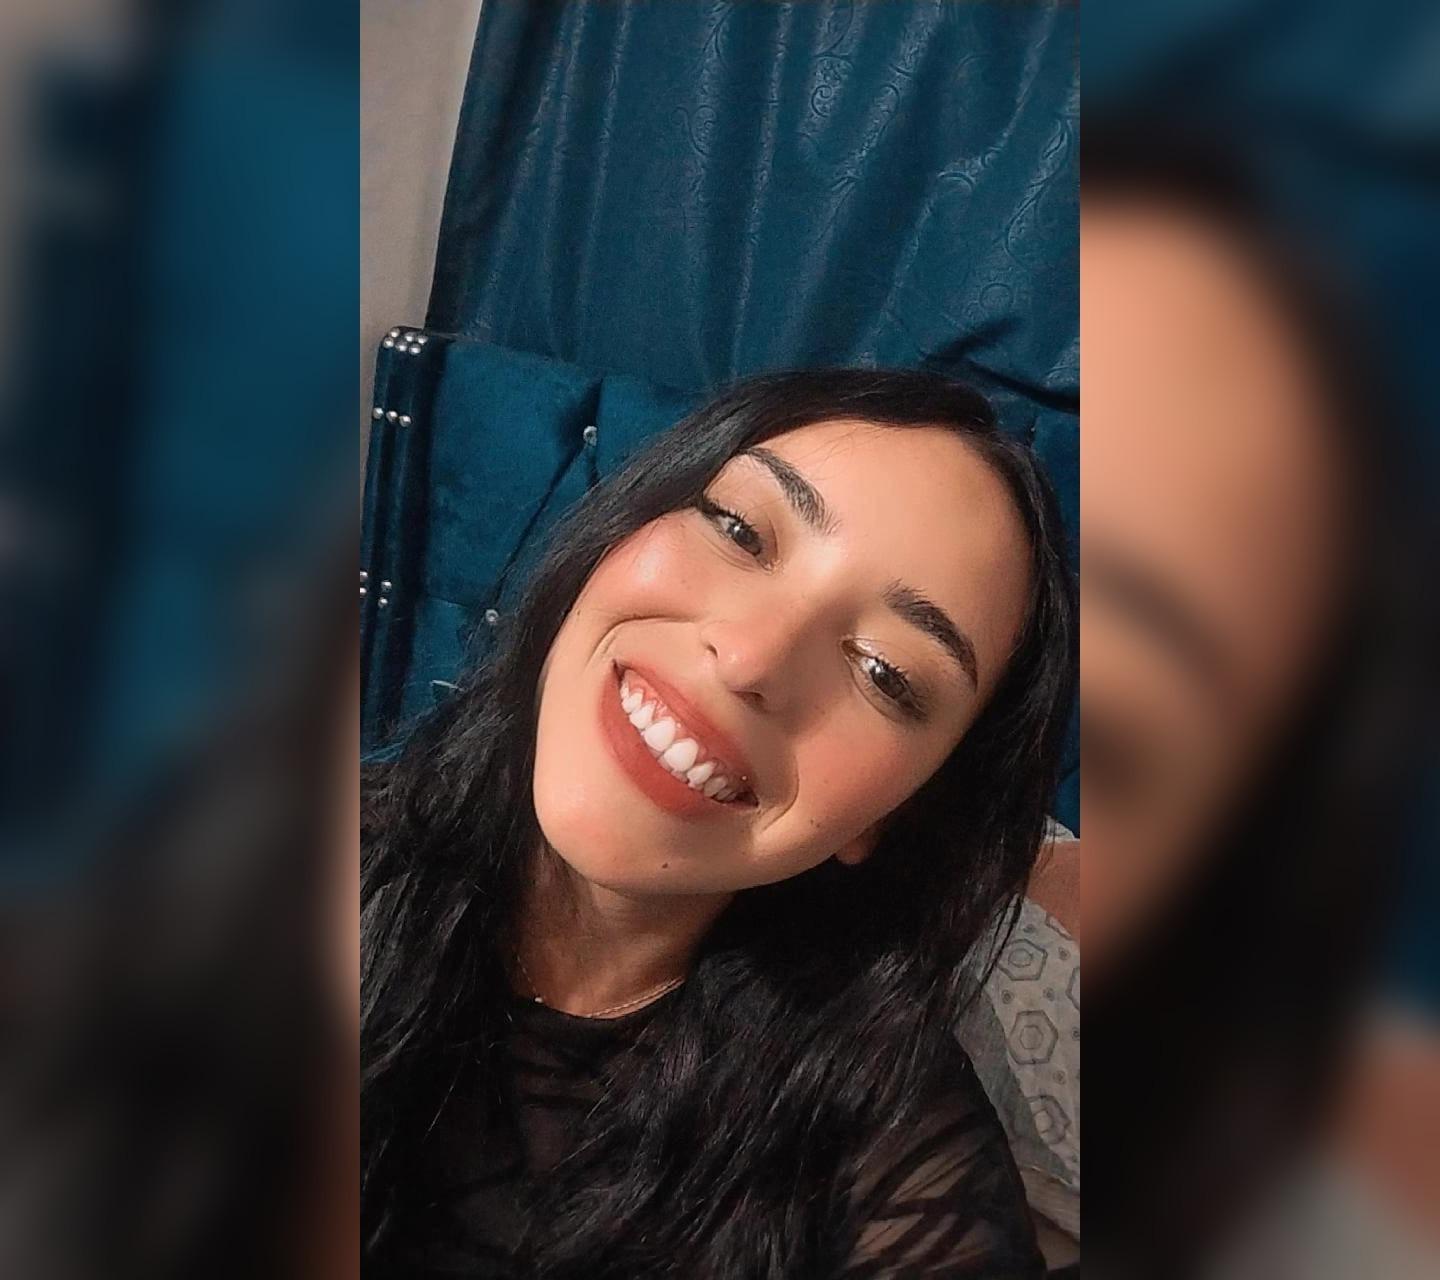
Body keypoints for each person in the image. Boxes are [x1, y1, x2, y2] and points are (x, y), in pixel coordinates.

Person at [360, 369, 1076, 1278]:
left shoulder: (885, 1154)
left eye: (885, 673)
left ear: (896, 814)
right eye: (740, 529)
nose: (748, 658)